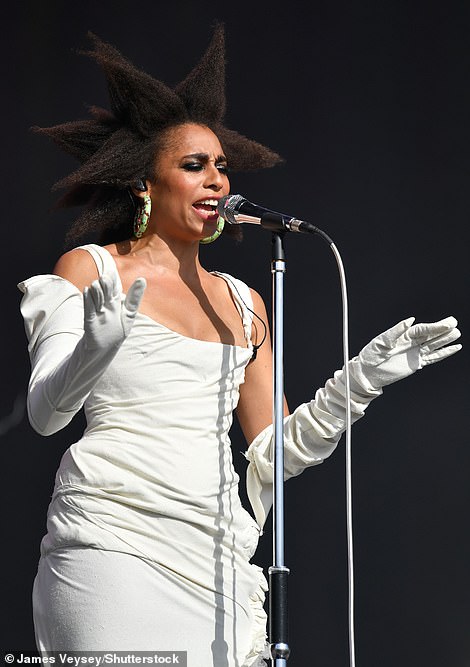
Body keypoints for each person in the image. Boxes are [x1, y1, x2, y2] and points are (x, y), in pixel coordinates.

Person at [18, 26, 461, 667]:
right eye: (194, 165)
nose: (216, 180)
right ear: (146, 183)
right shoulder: (91, 271)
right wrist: (95, 347)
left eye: (221, 166)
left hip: (215, 557)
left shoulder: (245, 301)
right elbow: (44, 413)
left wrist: (362, 381)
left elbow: (273, 453)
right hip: (113, 541)